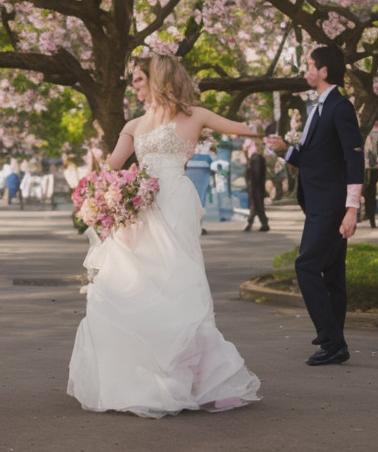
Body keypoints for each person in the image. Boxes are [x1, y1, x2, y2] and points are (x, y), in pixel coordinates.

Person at [67, 53, 261, 417]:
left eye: (140, 80)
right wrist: (99, 197)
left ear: (157, 79)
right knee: (138, 283)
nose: (135, 87)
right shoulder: (133, 124)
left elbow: (242, 129)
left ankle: (192, 377)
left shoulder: (194, 115)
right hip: (141, 209)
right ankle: (145, 378)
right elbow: (112, 168)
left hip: (175, 203)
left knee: (179, 283)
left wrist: (289, 138)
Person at [267, 45, 364, 366]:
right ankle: (334, 340)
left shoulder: (340, 107)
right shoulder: (317, 108)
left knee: (305, 265)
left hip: (334, 206)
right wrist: (284, 149)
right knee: (333, 274)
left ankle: (332, 339)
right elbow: (312, 160)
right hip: (318, 204)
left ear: (324, 71)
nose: (305, 70)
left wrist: (352, 209)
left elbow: (355, 159)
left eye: (309, 65)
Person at [243, 140, 269, 232]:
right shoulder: (258, 158)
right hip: (257, 185)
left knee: (256, 204)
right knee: (256, 204)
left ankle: (255, 223)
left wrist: (252, 184)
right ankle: (262, 223)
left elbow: (256, 174)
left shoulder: (255, 158)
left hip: (255, 185)